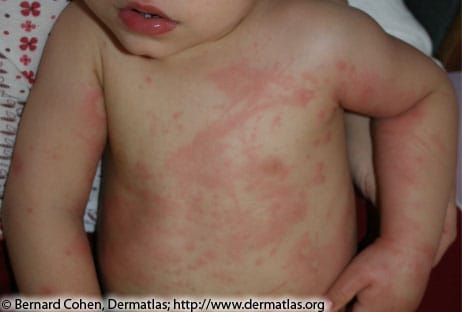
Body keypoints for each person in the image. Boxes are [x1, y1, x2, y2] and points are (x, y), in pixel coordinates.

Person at [1, 1, 458, 311]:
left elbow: (420, 97)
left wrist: (406, 249)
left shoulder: (323, 34)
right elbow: (42, 203)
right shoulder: (90, 35)